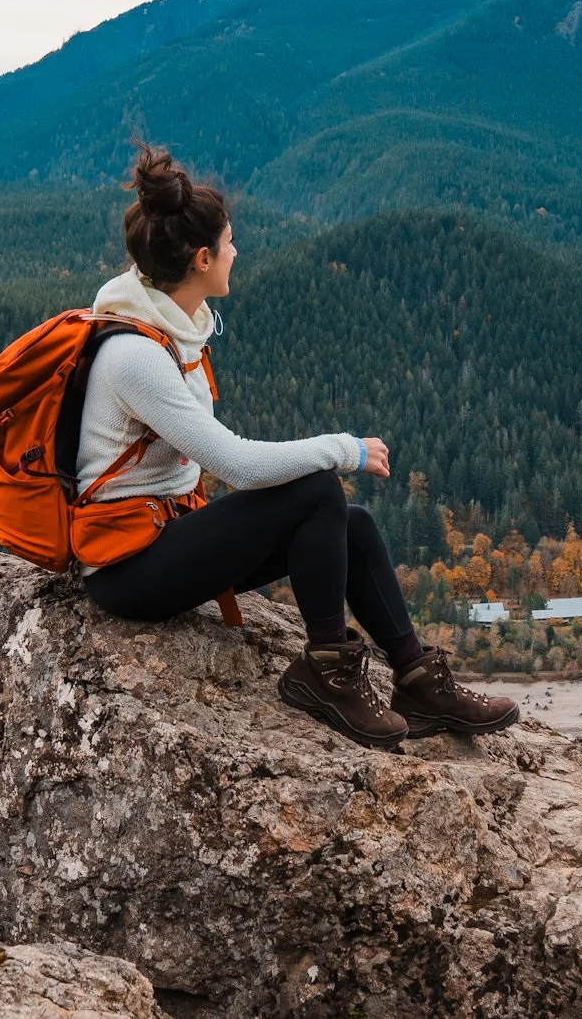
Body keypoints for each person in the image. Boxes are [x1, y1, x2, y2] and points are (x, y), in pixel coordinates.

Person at [77, 145, 519, 749]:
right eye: (229, 243)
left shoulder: (169, 326)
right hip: (127, 568)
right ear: (202, 258)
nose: (237, 252)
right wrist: (344, 448)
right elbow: (234, 464)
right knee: (317, 491)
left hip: (166, 536)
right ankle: (326, 672)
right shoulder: (136, 355)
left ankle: (416, 680)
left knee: (351, 524)